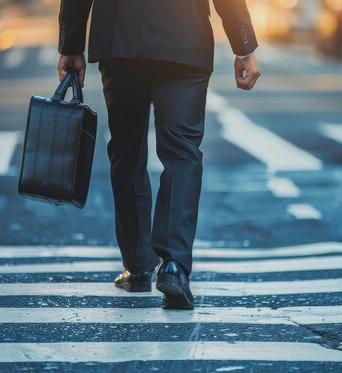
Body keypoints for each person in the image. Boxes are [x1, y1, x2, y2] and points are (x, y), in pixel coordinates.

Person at [57, 0, 261, 310]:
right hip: (184, 36)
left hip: (119, 36)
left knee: (126, 149)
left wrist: (71, 44)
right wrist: (243, 45)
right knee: (182, 151)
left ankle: (138, 264)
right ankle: (174, 264)